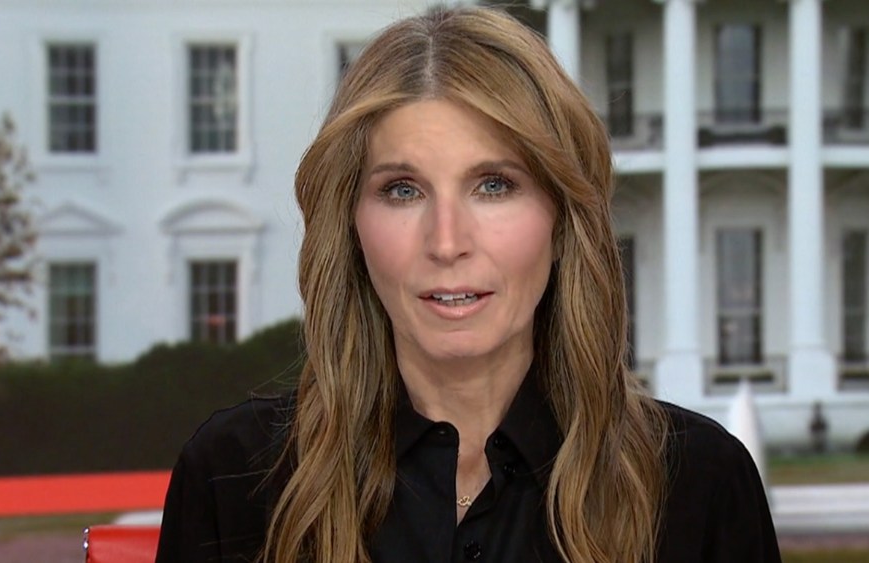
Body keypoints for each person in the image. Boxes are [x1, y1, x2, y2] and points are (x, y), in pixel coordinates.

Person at [156, 5, 781, 562]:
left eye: (494, 185)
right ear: (351, 224)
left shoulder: (700, 485)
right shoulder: (234, 478)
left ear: (562, 218)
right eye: (403, 190)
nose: (447, 241)